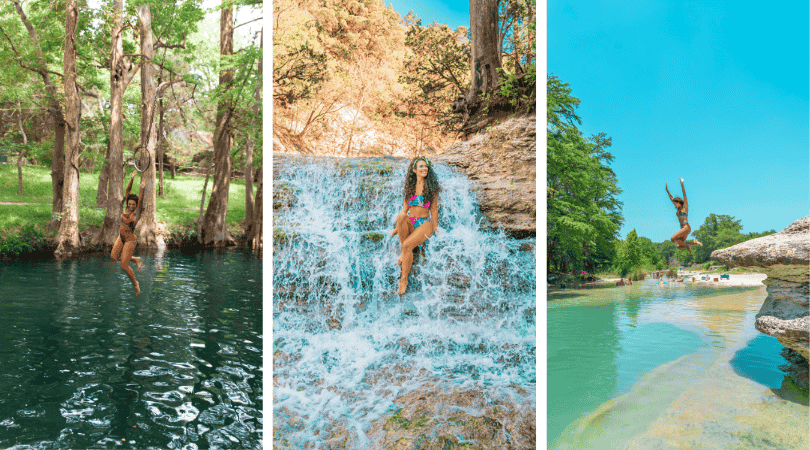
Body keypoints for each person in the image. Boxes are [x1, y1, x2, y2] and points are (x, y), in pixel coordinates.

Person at [390, 156, 440, 295]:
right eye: (421, 167)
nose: (424, 169)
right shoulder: (410, 188)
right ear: (414, 170)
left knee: (407, 246)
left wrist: (436, 228)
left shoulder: (432, 187)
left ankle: (403, 280)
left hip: (425, 223)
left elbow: (434, 209)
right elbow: (404, 211)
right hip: (410, 223)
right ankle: (403, 252)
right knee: (400, 216)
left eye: (425, 166)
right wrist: (397, 228)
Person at [111, 171, 145, 295]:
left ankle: (135, 284)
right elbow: (127, 191)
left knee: (123, 266)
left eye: (133, 204)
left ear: (136, 205)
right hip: (121, 237)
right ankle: (135, 259)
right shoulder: (127, 207)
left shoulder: (135, 212)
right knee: (113, 257)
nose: (130, 205)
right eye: (129, 204)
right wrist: (132, 178)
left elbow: (140, 201)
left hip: (130, 240)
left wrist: (143, 190)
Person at [666, 178, 703, 254]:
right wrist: (667, 190)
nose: (675, 204)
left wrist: (682, 183)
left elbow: (684, 194)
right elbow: (671, 198)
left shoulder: (685, 208)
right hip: (682, 229)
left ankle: (688, 245)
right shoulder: (678, 210)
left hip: (686, 227)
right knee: (679, 246)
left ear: (679, 202)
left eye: (676, 203)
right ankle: (693, 242)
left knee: (673, 238)